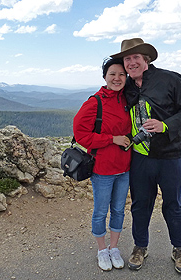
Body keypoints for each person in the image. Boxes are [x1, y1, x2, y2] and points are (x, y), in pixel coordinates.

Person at [111, 38, 181, 274]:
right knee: (140, 205)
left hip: (169, 155)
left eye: (135, 57)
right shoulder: (126, 85)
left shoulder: (171, 79)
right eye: (127, 59)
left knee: (173, 204)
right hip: (140, 157)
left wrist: (165, 125)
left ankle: (179, 249)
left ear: (145, 59)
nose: (131, 62)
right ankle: (140, 247)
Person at [73, 57, 132, 271]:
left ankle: (114, 248)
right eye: (112, 74)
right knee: (100, 211)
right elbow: (80, 134)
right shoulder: (94, 102)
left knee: (118, 210)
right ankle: (101, 250)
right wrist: (111, 139)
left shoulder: (127, 100)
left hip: (125, 167)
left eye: (121, 74)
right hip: (103, 169)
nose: (117, 78)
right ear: (105, 77)